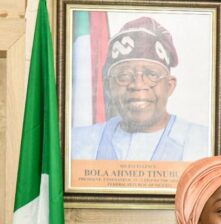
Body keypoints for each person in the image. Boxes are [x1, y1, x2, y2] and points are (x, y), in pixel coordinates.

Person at [71, 16, 209, 162]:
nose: (137, 85)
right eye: (124, 75)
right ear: (108, 86)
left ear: (169, 86)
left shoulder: (202, 142)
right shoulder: (78, 143)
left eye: (151, 75)